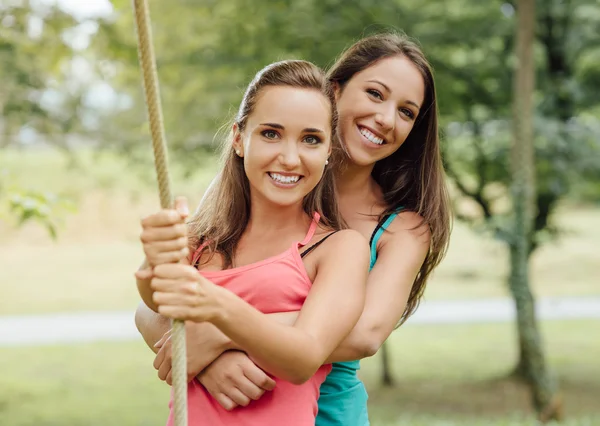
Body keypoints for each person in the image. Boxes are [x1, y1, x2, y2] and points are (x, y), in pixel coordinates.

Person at [137, 32, 452, 426]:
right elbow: (151, 308)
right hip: (231, 401)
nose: (386, 118)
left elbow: (364, 333)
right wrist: (209, 362)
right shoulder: (250, 185)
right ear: (334, 93)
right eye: (375, 93)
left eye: (406, 112)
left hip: (327, 414)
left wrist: (220, 334)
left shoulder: (400, 227)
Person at [135, 60, 370, 425]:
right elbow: (157, 302)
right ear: (239, 139)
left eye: (311, 139)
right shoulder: (202, 239)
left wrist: (215, 312)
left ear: (328, 152)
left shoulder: (339, 248)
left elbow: (304, 357)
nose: (289, 158)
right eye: (271, 134)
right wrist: (154, 260)